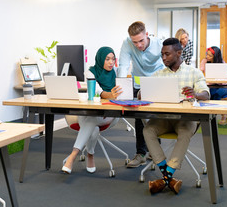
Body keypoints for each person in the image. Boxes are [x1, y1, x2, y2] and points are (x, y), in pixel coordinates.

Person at [143, 38, 210, 195]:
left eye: (167, 54)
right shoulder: (158, 74)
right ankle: (169, 178)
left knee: (185, 132)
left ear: (179, 53)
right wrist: (142, 91)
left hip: (186, 119)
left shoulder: (194, 72)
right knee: (148, 130)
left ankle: (164, 178)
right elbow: (143, 93)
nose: (164, 58)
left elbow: (206, 94)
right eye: (162, 54)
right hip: (164, 119)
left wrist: (196, 94)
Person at [62, 46, 122, 174]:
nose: (111, 62)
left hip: (110, 114)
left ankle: (72, 156)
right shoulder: (90, 72)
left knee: (91, 121)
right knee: (92, 125)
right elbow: (98, 92)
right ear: (100, 59)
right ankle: (90, 155)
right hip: (91, 112)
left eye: (113, 59)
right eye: (107, 59)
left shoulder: (116, 72)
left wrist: (113, 96)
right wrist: (110, 94)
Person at [118, 21, 164, 168]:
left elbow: (168, 64)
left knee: (157, 116)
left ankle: (155, 149)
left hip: (157, 83)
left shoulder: (159, 43)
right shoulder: (127, 43)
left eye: (141, 41)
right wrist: (120, 89)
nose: (138, 45)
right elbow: (123, 66)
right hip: (138, 84)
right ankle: (141, 153)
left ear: (147, 34)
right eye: (135, 42)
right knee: (139, 118)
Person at [200, 46, 227, 125]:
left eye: (210, 55)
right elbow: (200, 72)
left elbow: (224, 80)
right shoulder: (204, 61)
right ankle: (221, 114)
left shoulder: (221, 62)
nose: (207, 56)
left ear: (215, 56)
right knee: (209, 93)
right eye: (207, 54)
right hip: (211, 86)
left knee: (215, 94)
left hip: (224, 86)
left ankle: (215, 115)